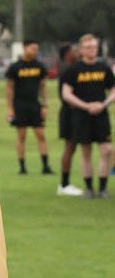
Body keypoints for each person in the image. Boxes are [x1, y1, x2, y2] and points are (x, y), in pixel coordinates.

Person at [60, 32, 115, 198]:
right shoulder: (73, 70)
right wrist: (86, 106)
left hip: (101, 115)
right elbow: (66, 94)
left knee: (106, 149)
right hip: (81, 116)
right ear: (81, 50)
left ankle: (103, 188)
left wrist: (103, 104)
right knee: (86, 151)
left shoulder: (104, 69)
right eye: (88, 47)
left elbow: (113, 90)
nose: (92, 50)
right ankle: (89, 188)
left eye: (94, 47)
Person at [4, 40, 51, 175]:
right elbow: (9, 89)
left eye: (36, 49)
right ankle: (22, 167)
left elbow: (43, 87)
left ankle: (45, 166)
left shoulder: (39, 66)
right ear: (25, 48)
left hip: (35, 105)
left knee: (41, 135)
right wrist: (10, 108)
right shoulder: (15, 67)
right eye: (32, 49)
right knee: (21, 136)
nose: (35, 51)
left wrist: (45, 105)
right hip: (20, 105)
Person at [56, 42, 82, 194]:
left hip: (73, 112)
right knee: (70, 147)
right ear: (67, 54)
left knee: (72, 148)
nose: (77, 52)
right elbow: (65, 96)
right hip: (70, 114)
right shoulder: (67, 71)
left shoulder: (69, 68)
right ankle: (64, 185)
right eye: (74, 51)